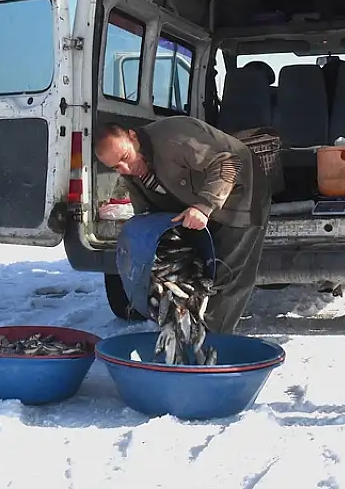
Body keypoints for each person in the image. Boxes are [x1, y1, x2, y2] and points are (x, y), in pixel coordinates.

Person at [94, 116, 270, 333]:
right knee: (200, 270)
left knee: (228, 277)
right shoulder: (131, 167)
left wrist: (204, 206)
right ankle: (190, 334)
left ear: (132, 136)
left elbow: (229, 162)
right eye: (116, 166)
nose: (125, 168)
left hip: (241, 193)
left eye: (126, 157)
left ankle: (212, 345)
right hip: (193, 200)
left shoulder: (173, 138)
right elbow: (146, 208)